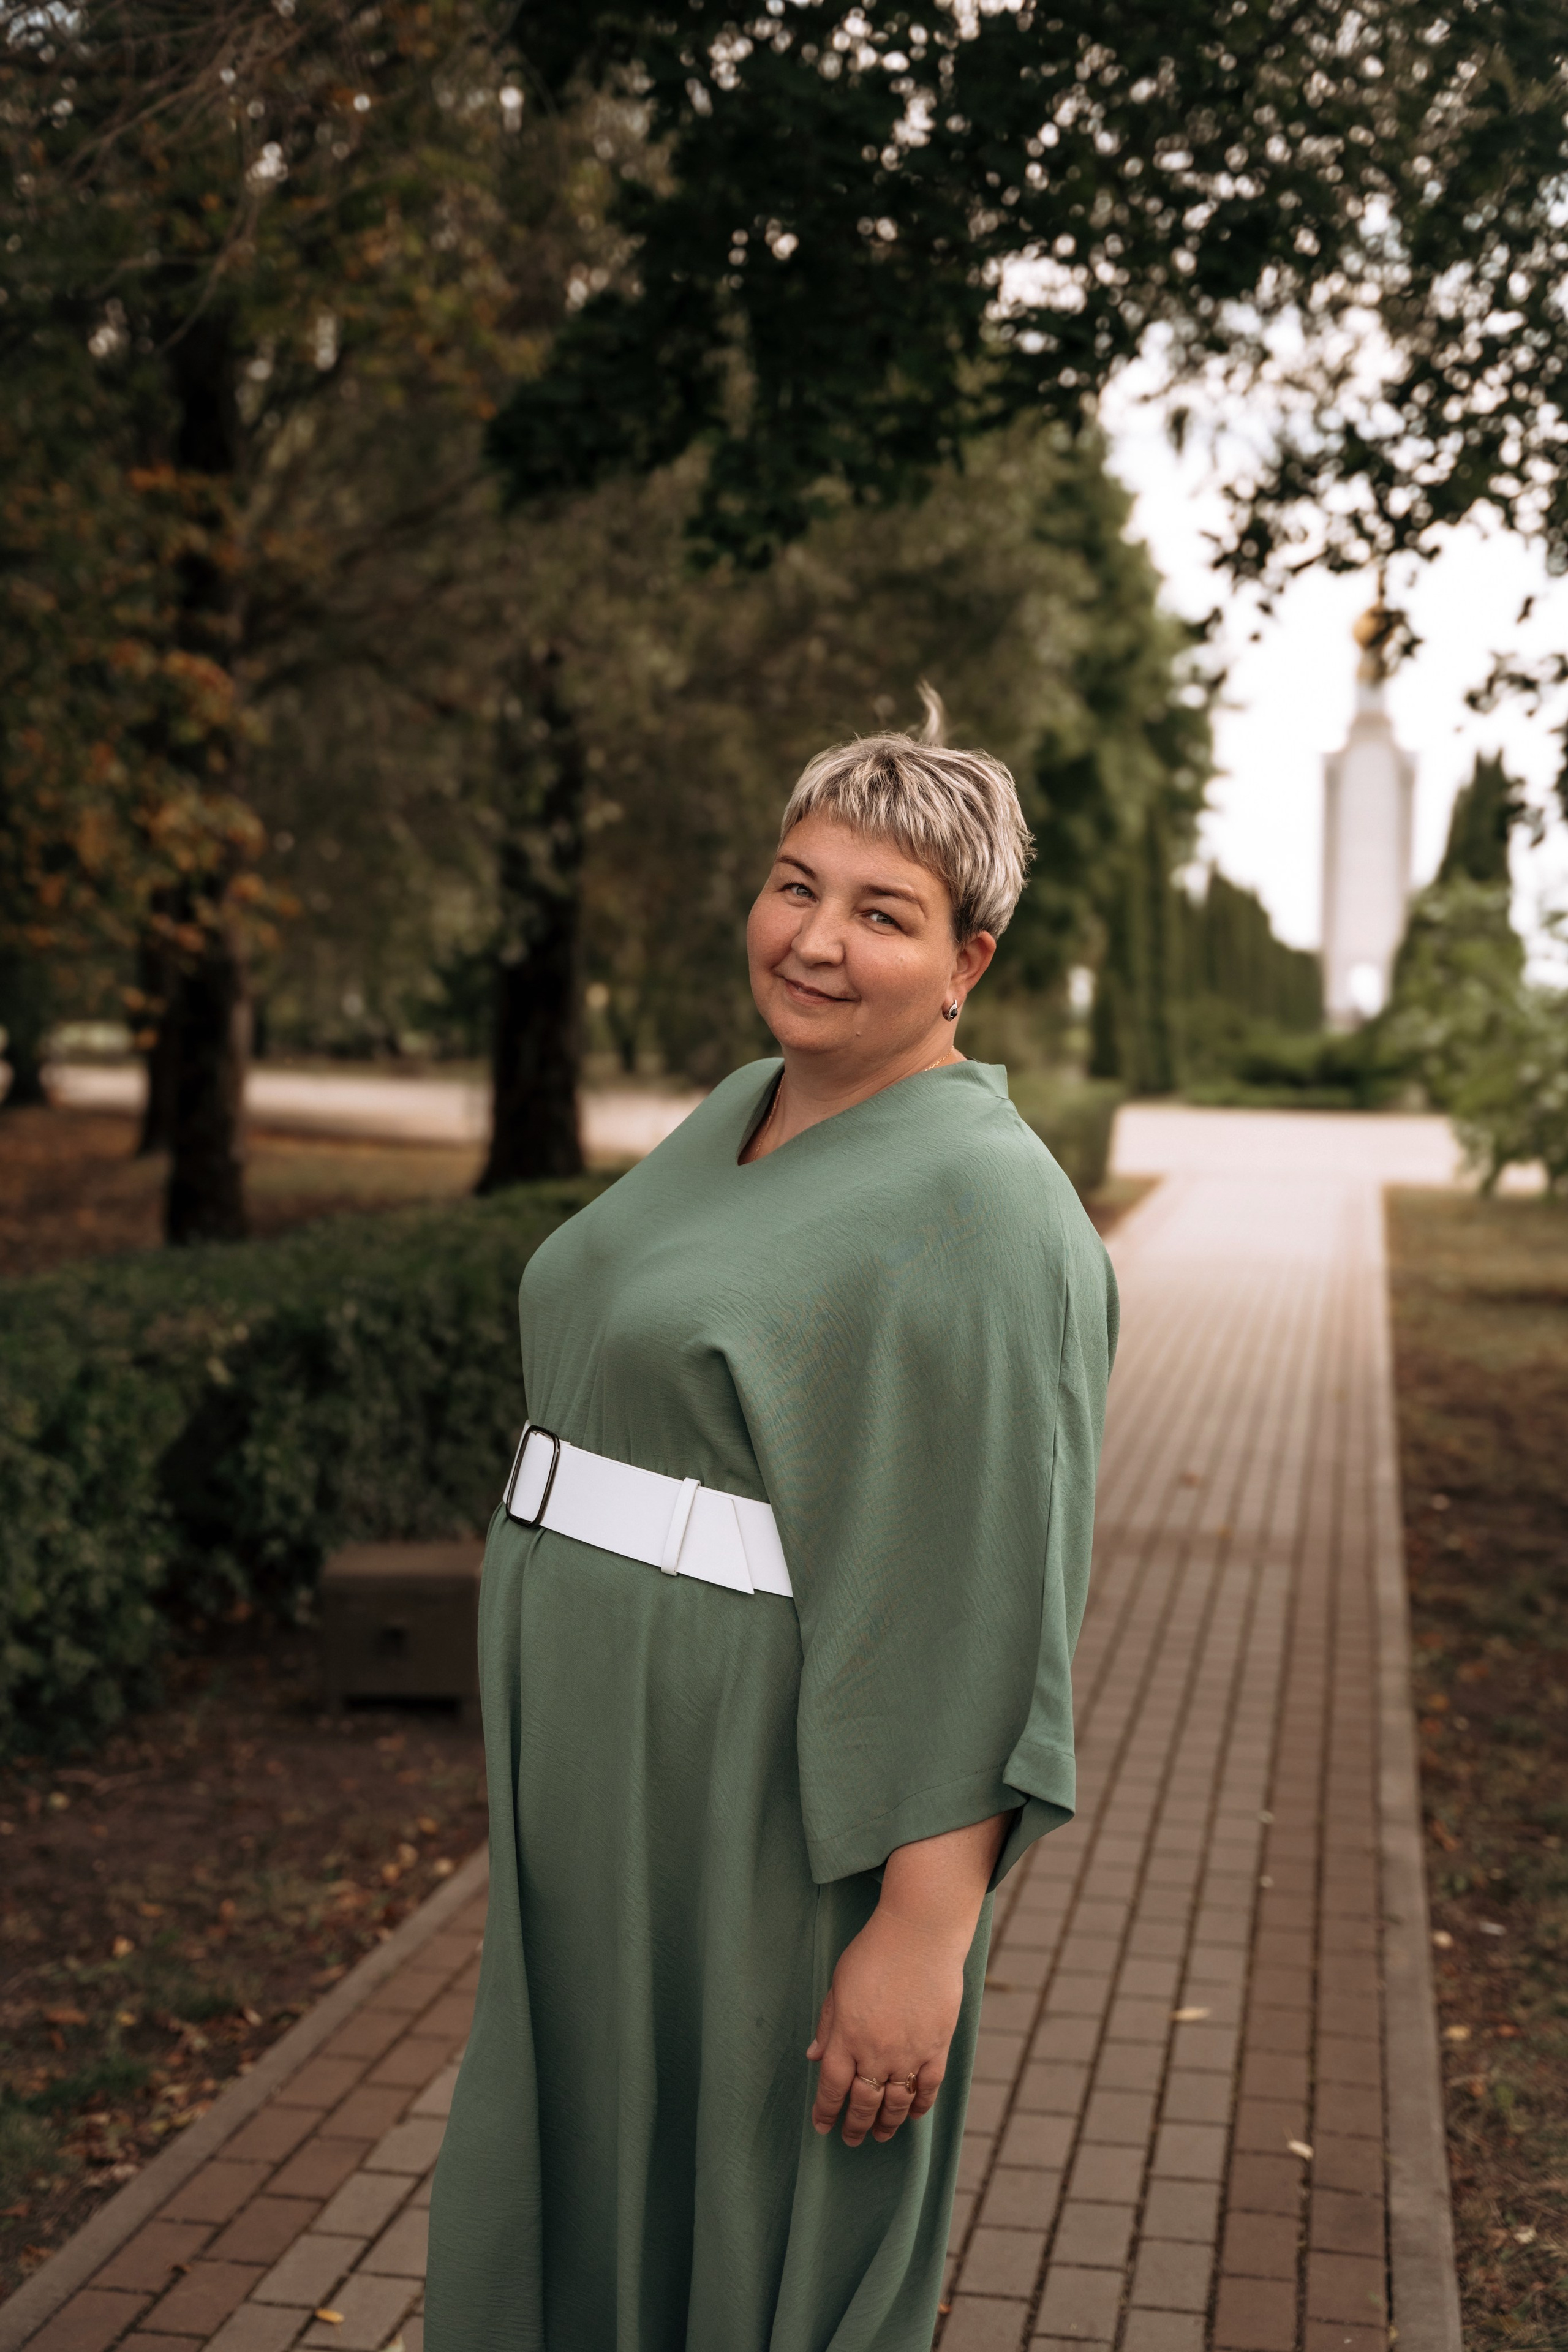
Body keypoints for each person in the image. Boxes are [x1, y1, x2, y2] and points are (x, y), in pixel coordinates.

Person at [424, 697, 1118, 2352]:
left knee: (745, 2199)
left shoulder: (986, 1202)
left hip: (758, 1790)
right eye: (794, 885)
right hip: (601, 1767)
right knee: (585, 2156)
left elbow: (986, 1594)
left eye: (882, 915)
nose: (814, 940)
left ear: (972, 961)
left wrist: (926, 1933)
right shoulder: (747, 1096)